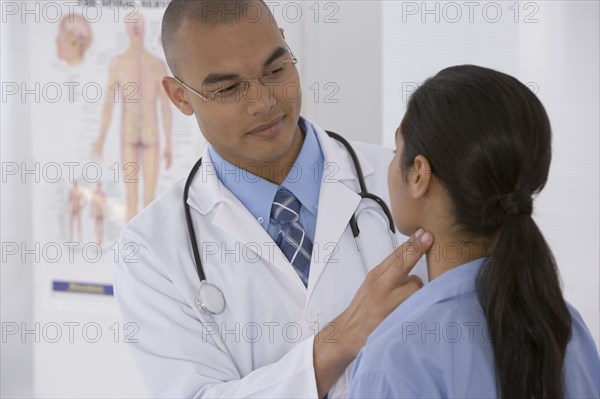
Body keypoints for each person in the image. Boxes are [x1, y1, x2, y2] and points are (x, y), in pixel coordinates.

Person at [113, 1, 431, 397]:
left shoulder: (404, 182)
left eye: (275, 69)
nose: (264, 102)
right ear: (180, 97)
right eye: (229, 88)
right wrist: (340, 341)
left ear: (285, 45)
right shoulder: (151, 250)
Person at [349, 65, 600, 398]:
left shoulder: (396, 356)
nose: (391, 166)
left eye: (397, 152)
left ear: (419, 175)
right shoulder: (566, 328)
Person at [92, 13, 172, 221]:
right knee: (133, 200)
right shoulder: (121, 64)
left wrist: (170, 143)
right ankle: (134, 250)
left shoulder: (155, 64)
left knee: (147, 199)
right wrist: (100, 138)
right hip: (136, 133)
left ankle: (148, 249)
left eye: (138, 24)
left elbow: (165, 106)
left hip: (147, 133)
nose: (135, 28)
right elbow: (109, 104)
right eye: (133, 24)